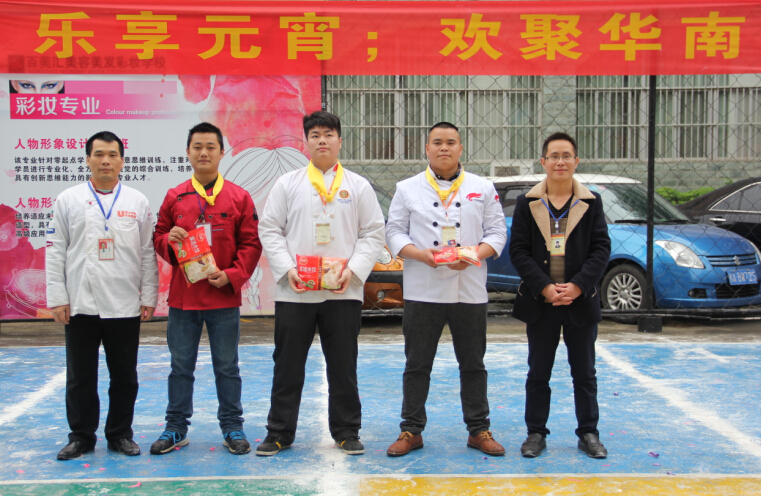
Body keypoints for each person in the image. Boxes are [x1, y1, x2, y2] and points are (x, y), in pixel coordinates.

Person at [256, 111, 385, 456]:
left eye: (328, 134)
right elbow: (269, 229)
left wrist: (353, 270)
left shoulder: (357, 186)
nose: (322, 140)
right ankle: (279, 432)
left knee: (343, 365)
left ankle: (346, 430)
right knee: (287, 365)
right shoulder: (288, 184)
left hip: (343, 291)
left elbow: (374, 232)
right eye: (315, 135)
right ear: (307, 142)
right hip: (295, 291)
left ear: (340, 140)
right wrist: (287, 269)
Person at [384, 122, 507, 457]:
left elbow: (497, 232)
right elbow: (394, 231)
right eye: (437, 142)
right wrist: (418, 254)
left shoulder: (482, 187)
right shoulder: (407, 188)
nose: (444, 148)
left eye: (451, 142)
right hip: (423, 288)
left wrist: (475, 254)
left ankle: (479, 429)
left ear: (460, 148)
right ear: (427, 148)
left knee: (473, 363)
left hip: (469, 288)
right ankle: (411, 430)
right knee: (417, 363)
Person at [46, 131, 158, 460]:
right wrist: (58, 297)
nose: (105, 161)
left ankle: (120, 435)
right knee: (80, 377)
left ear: (122, 161)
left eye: (112, 155)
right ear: (87, 160)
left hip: (124, 303)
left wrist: (149, 295)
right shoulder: (68, 199)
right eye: (98, 154)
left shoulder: (137, 201)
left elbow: (147, 252)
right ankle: (81, 437)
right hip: (80, 302)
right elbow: (56, 250)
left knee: (125, 377)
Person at [151, 122, 261, 455]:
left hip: (223, 297)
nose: (203, 153)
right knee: (180, 367)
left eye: (210, 147)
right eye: (197, 147)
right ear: (187, 152)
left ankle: (232, 427)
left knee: (227, 367)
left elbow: (251, 244)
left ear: (221, 152)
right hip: (183, 300)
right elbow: (158, 236)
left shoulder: (239, 197)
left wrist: (232, 275)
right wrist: (168, 241)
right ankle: (175, 428)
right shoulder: (175, 196)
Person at [509, 132, 611, 459]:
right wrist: (544, 286)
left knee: (585, 373)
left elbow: (601, 249)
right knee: (538, 372)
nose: (560, 161)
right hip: (542, 302)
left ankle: (588, 432)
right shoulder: (527, 203)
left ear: (576, 161)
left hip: (579, 300)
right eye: (554, 156)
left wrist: (578, 285)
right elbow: (519, 251)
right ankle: (536, 433)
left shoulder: (591, 202)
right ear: (543, 162)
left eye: (567, 155)